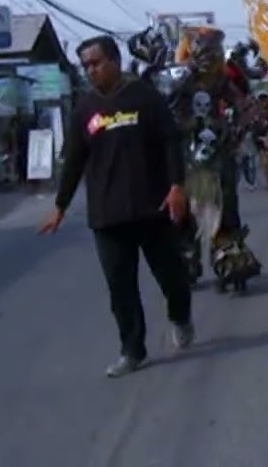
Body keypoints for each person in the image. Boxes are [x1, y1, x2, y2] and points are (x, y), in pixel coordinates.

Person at [39, 35, 194, 378]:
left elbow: (171, 142)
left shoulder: (145, 97)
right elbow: (75, 162)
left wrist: (176, 186)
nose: (91, 70)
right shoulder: (84, 108)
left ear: (114, 61)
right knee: (120, 289)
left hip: (153, 208)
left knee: (173, 277)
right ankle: (132, 351)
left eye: (96, 63)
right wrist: (60, 207)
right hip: (108, 216)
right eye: (86, 66)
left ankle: (180, 316)